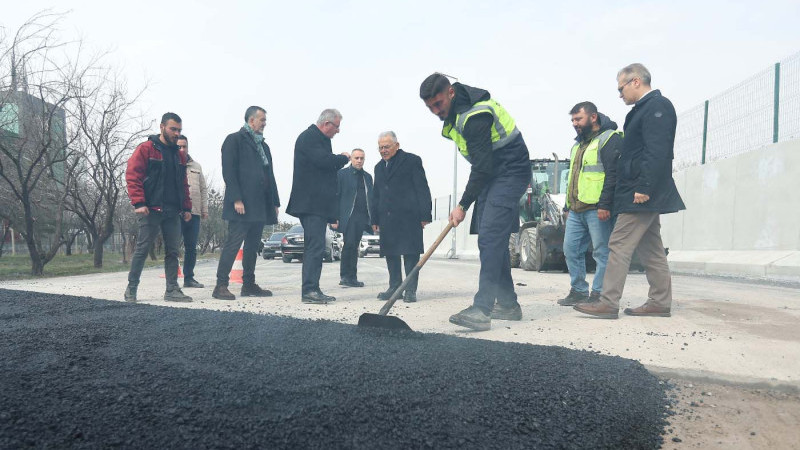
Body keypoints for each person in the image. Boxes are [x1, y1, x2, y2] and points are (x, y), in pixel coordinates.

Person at [574, 63, 685, 319]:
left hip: (641, 192)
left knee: (618, 244)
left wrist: (644, 187)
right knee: (651, 249)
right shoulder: (643, 110)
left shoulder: (657, 106)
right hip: (637, 190)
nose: (619, 94)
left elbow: (658, 151)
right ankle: (660, 302)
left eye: (620, 88)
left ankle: (607, 302)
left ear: (635, 81)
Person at [419, 74, 530, 331]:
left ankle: (482, 309)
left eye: (438, 104)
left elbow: (481, 166)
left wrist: (462, 205)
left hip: (510, 171)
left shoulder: (474, 116)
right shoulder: (457, 114)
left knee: (490, 237)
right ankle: (508, 305)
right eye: (430, 107)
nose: (436, 111)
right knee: (491, 239)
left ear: (451, 92)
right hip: (494, 174)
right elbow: (484, 166)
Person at [124, 112, 193, 303]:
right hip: (151, 209)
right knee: (142, 249)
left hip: (173, 211)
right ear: (162, 127)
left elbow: (183, 184)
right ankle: (131, 289)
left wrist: (186, 207)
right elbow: (133, 175)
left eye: (179, 130)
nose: (176, 133)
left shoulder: (179, 156)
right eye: (173, 129)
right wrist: (139, 203)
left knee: (173, 251)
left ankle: (172, 289)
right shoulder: (146, 149)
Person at [212, 106, 280, 300]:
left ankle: (249, 285)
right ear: (251, 120)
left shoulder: (264, 146)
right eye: (262, 120)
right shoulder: (234, 140)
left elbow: (270, 175)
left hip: (260, 205)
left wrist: (275, 202)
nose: (265, 123)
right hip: (241, 204)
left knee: (252, 246)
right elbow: (229, 171)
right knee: (233, 244)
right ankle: (220, 286)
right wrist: (236, 198)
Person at [558, 102, 621, 306]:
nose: (575, 123)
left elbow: (613, 175)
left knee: (602, 252)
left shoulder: (609, 139)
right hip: (576, 210)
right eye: (573, 120)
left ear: (593, 117)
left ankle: (599, 294)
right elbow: (573, 178)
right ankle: (578, 291)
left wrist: (605, 205)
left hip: (597, 209)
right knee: (571, 250)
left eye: (579, 119)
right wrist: (567, 206)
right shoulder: (577, 145)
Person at [286, 109, 350, 304]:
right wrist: (343, 158)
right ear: (326, 124)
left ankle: (313, 288)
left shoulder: (319, 139)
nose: (338, 131)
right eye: (336, 126)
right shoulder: (310, 138)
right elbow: (324, 162)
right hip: (311, 204)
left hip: (317, 204)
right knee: (315, 246)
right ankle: (309, 291)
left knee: (316, 246)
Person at [371, 131, 432, 303]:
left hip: (409, 217)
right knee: (391, 253)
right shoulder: (378, 167)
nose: (383, 151)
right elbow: (376, 195)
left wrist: (425, 214)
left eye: (386, 147)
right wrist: (374, 219)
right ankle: (394, 287)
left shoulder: (412, 161)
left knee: (410, 254)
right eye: (380, 148)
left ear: (396, 145)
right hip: (387, 218)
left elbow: (422, 188)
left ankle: (410, 290)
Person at [333, 149, 374, 288]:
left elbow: (372, 199)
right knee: (349, 244)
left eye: (362, 158)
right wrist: (334, 217)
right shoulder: (342, 174)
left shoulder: (367, 177)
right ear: (351, 159)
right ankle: (346, 277)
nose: (359, 161)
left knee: (354, 246)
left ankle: (351, 277)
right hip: (348, 216)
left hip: (362, 217)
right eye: (356, 158)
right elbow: (336, 196)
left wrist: (373, 219)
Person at [176, 135, 209, 289]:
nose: (182, 149)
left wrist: (204, 209)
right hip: (176, 213)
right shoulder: (171, 163)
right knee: (173, 247)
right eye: (179, 146)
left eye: (185, 146)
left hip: (194, 212)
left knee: (191, 247)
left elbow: (203, 189)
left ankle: (189, 278)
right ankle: (172, 282)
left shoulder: (196, 166)